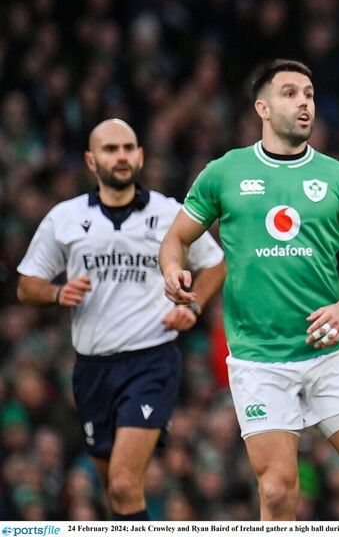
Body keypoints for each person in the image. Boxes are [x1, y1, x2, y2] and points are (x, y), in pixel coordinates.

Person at [158, 59, 339, 521]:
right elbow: (176, 240)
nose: (304, 102)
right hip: (258, 359)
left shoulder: (338, 178)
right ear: (263, 108)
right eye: (290, 93)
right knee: (276, 492)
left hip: (329, 352)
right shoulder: (224, 172)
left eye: (309, 94)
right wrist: (173, 270)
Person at [16, 119, 226, 520]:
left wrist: (192, 306)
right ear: (91, 161)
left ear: (141, 155)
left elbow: (215, 264)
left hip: (151, 360)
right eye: (110, 149)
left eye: (129, 147)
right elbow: (27, 286)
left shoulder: (169, 213)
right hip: (92, 367)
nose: (121, 156)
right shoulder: (65, 217)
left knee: (126, 483)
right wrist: (58, 293)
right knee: (115, 491)